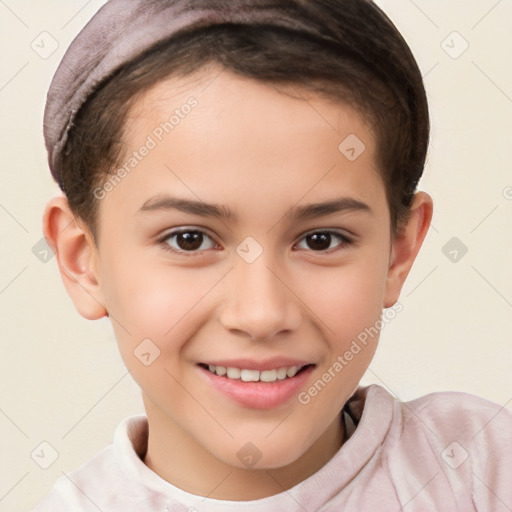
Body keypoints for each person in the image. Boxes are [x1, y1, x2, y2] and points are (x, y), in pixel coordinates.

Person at [33, 0, 512, 510]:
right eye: (189, 239)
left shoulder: (477, 465)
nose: (261, 314)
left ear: (399, 252)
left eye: (321, 240)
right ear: (83, 260)